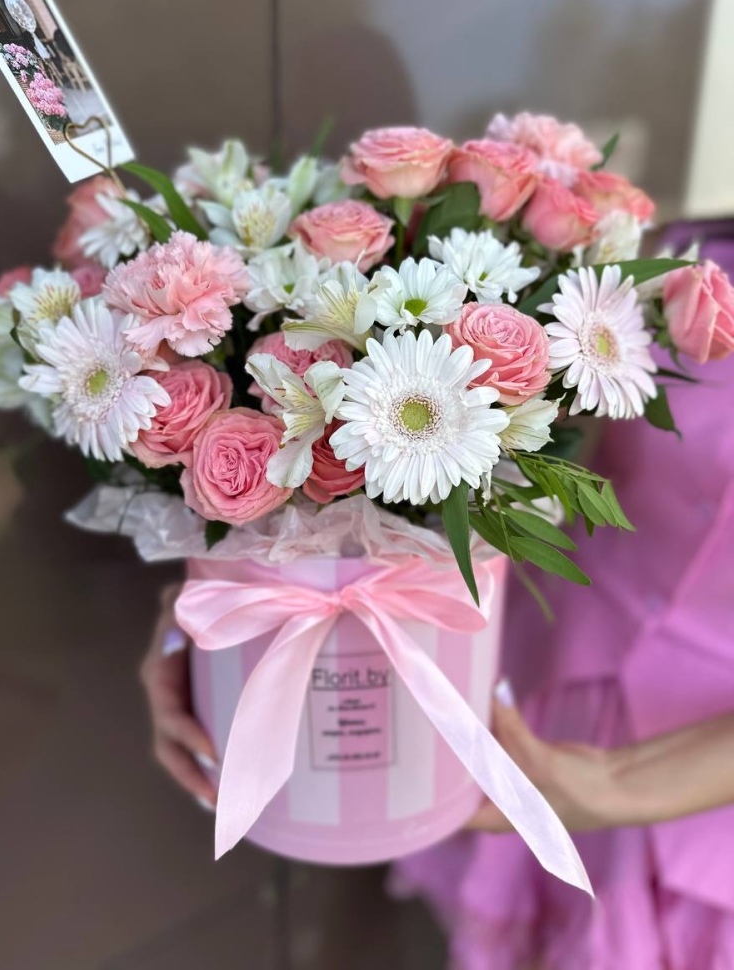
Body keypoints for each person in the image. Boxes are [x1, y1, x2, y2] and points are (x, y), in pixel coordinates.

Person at [141, 227, 734, 968]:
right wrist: (215, 606)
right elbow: (519, 443)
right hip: (519, 684)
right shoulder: (686, 260)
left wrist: (619, 785)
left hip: (697, 784)